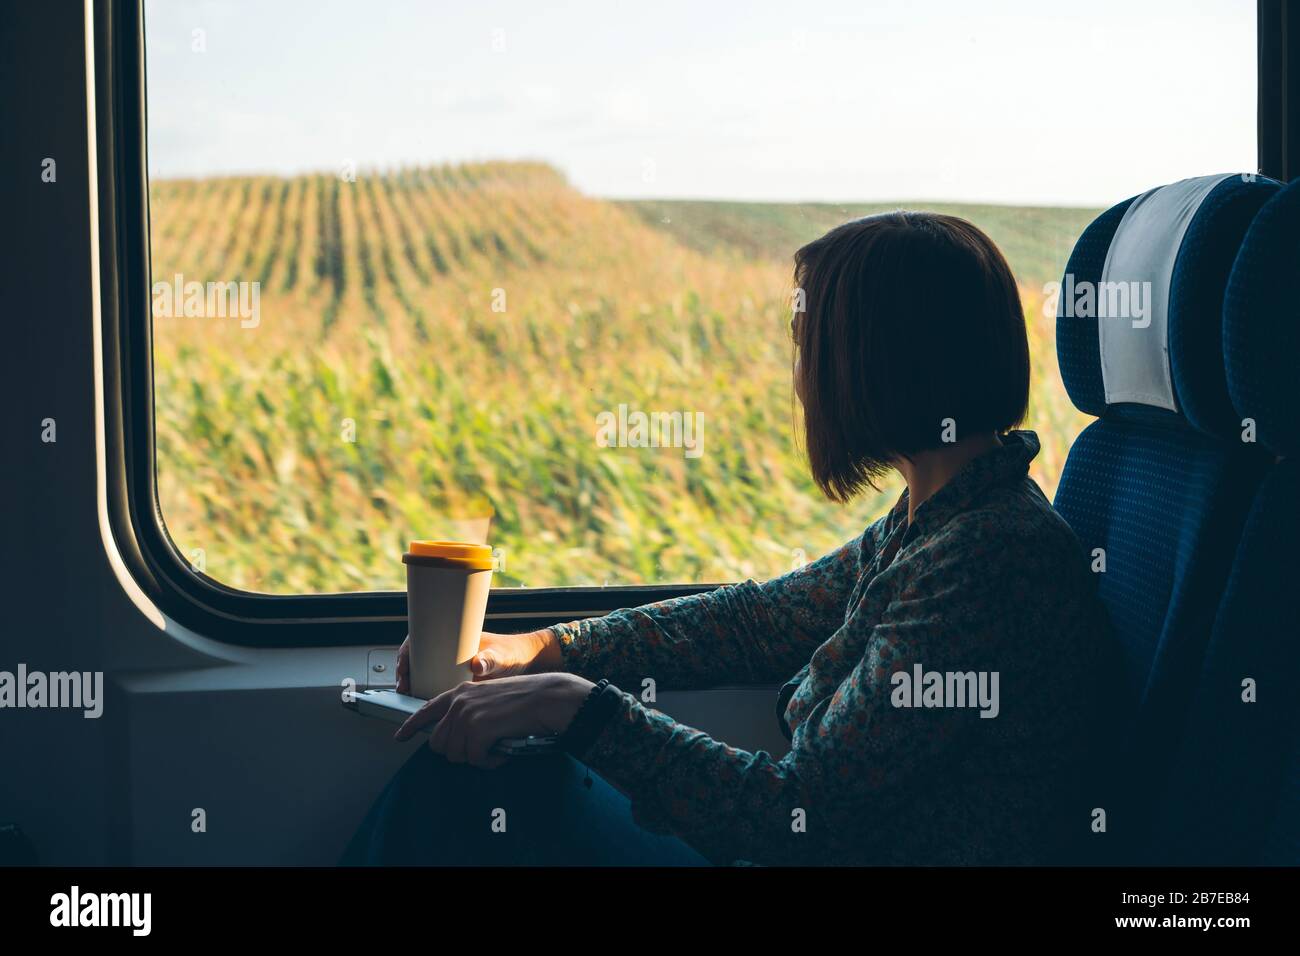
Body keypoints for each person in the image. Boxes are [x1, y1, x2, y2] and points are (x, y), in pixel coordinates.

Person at [342, 212, 1115, 867]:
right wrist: (545, 650)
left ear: (874, 365)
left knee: (485, 788)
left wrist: (579, 709)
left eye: (807, 344)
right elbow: (759, 621)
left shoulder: (987, 559)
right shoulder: (937, 517)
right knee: (495, 781)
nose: (801, 375)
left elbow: (797, 815)